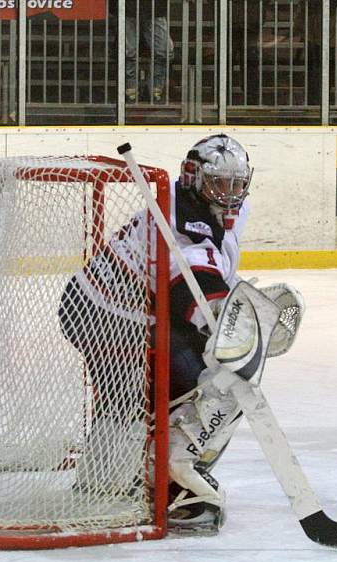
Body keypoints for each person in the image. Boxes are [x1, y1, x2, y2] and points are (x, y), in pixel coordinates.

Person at [59, 135, 258, 533]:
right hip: (106, 314)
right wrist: (228, 329)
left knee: (137, 396)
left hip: (98, 305)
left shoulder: (202, 205)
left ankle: (111, 477)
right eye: (219, 183)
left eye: (237, 183)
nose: (230, 193)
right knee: (208, 382)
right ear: (193, 177)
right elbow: (194, 289)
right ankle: (172, 492)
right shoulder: (185, 224)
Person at [124, 0, 175, 104]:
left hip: (154, 8)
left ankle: (153, 90)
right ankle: (132, 90)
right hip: (128, 8)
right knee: (128, 52)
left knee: (164, 51)